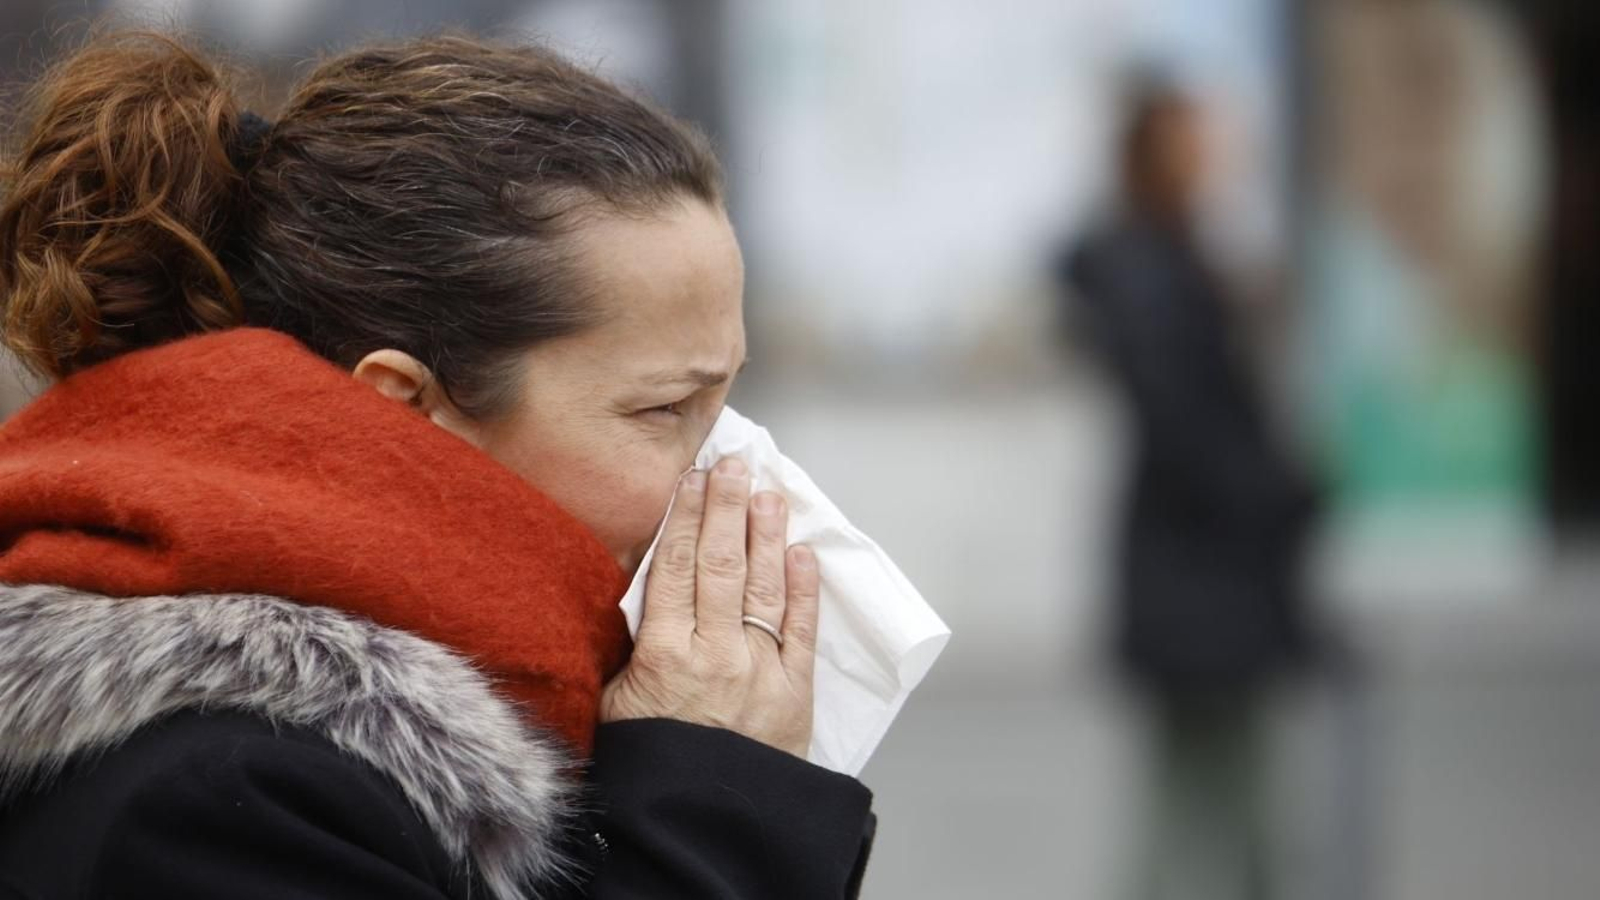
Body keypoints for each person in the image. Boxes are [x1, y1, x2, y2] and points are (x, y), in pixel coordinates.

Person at [0, 30, 874, 899]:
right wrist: (713, 810)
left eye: (723, 409)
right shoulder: (223, 800)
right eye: (665, 410)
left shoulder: (527, 700)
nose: (733, 475)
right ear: (403, 406)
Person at [1061, 85, 1317, 900]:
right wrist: (1282, 495)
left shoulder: (1174, 257)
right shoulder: (1150, 270)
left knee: (1221, 779)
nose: (1209, 155)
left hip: (1204, 566)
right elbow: (1188, 429)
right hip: (1201, 567)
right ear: (1151, 153)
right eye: (1191, 140)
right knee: (1202, 786)